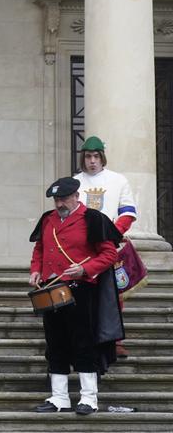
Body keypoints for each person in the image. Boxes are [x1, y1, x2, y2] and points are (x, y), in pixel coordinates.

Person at [29, 177, 123, 415]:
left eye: (64, 198)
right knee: (56, 344)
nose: (60, 203)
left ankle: (88, 398)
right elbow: (39, 249)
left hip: (82, 290)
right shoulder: (47, 219)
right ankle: (59, 398)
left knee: (84, 343)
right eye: (57, 199)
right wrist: (36, 270)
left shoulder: (93, 219)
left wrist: (85, 269)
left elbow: (109, 254)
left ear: (76, 197)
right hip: (52, 290)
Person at [73, 135, 138, 358]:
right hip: (83, 250)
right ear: (84, 158)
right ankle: (87, 337)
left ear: (103, 157)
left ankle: (115, 339)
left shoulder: (118, 180)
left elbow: (128, 212)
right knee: (85, 294)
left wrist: (112, 234)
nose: (92, 161)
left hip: (110, 247)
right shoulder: (75, 182)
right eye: (89, 156)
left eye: (96, 156)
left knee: (114, 295)